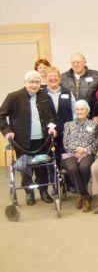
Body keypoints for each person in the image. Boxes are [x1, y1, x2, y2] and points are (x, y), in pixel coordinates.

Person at [0, 71, 57, 205]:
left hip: (42, 140)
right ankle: (29, 193)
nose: (34, 85)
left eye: (37, 82)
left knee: (42, 167)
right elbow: (1, 116)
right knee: (26, 168)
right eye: (31, 82)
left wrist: (51, 127)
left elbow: (51, 116)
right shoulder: (14, 97)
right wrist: (7, 131)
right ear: (25, 83)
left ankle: (44, 191)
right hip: (22, 141)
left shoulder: (44, 96)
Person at [61, 100, 97, 213]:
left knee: (84, 167)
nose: (80, 111)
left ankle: (81, 195)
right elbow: (65, 143)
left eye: (82, 109)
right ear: (75, 111)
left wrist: (85, 150)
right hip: (71, 153)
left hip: (88, 153)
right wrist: (76, 149)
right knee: (72, 168)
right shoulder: (68, 125)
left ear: (87, 111)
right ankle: (84, 194)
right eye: (77, 109)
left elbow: (96, 142)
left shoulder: (94, 125)